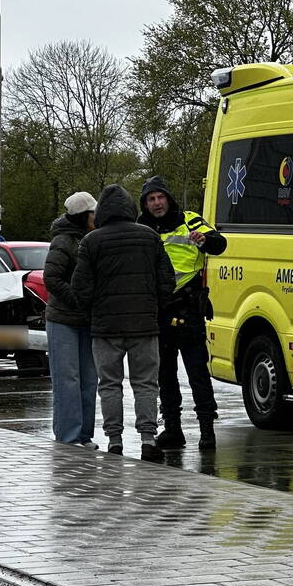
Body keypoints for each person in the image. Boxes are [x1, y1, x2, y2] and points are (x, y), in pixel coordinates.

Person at [71, 184, 175, 461]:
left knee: (109, 384)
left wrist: (92, 314)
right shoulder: (149, 237)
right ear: (131, 208)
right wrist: (155, 308)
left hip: (105, 329)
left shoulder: (91, 241)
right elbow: (167, 281)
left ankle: (115, 441)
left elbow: (80, 287)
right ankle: (148, 439)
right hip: (144, 326)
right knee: (145, 384)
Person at [137, 176, 227, 451]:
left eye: (160, 197)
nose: (157, 203)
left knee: (197, 371)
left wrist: (204, 240)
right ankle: (173, 429)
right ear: (145, 204)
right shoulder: (141, 227)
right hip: (158, 310)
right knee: (165, 374)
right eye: (151, 199)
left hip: (188, 308)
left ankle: (206, 431)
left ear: (168, 198)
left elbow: (219, 244)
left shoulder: (190, 219)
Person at [44, 191, 99, 448]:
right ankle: (68, 437)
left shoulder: (92, 239)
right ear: (82, 216)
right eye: (92, 214)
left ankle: (84, 435)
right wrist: (78, 300)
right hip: (63, 321)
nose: (96, 217)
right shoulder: (63, 241)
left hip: (86, 321)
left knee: (88, 380)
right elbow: (51, 278)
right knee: (68, 380)